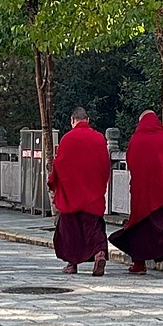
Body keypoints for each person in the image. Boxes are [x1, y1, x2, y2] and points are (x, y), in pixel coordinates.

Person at [108, 110, 163, 277]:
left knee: (140, 228)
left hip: (142, 193)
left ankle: (139, 264)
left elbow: (131, 164)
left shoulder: (136, 140)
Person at [47, 107, 112, 276]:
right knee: (94, 228)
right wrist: (100, 185)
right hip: (92, 193)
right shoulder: (98, 139)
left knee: (70, 230)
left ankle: (72, 264)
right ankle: (99, 254)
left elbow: (59, 166)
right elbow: (105, 166)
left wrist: (52, 181)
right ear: (87, 120)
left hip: (72, 194)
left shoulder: (67, 139)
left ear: (72, 120)